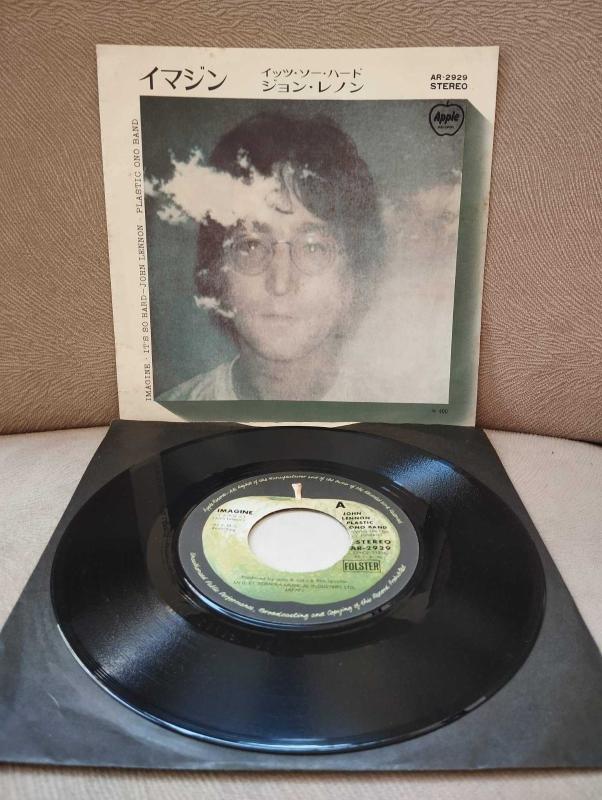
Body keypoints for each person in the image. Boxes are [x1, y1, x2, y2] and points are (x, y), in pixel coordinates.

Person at [160, 112, 384, 401]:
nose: (280, 283)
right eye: (251, 245)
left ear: (352, 277)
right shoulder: (168, 411)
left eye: (313, 247)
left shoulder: (397, 414)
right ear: (216, 271)